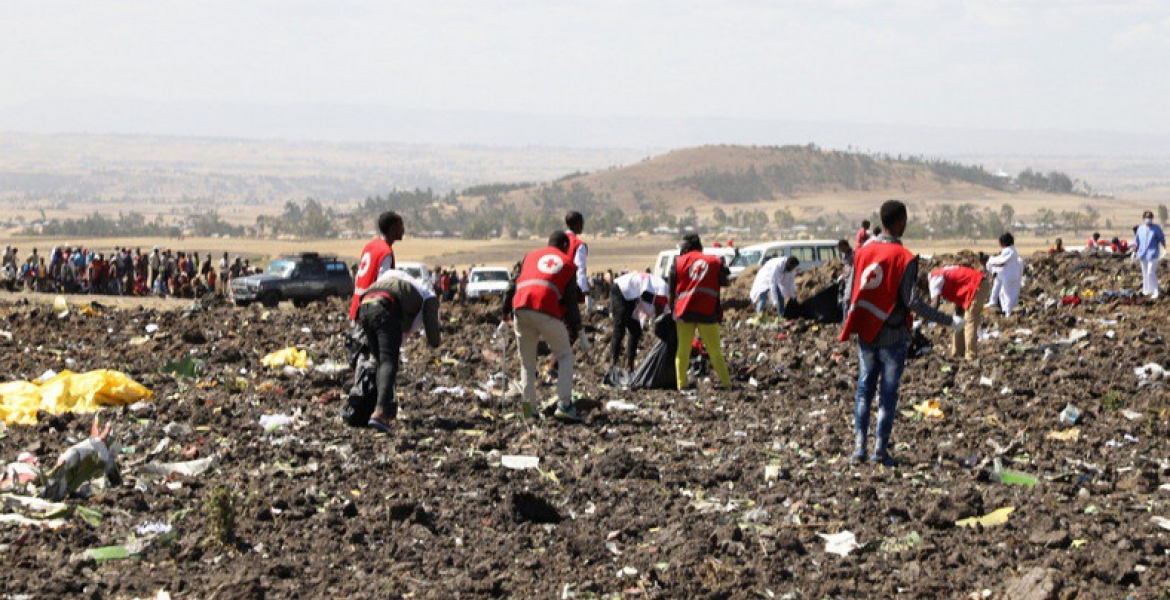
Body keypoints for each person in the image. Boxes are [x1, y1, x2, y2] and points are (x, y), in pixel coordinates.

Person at [840, 200, 961, 466]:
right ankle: (880, 451)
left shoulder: (861, 253)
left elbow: (849, 295)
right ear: (899, 222)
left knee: (863, 390)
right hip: (893, 337)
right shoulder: (904, 258)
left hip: (866, 335)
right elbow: (913, 302)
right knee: (888, 394)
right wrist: (947, 320)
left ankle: (859, 449)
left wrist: (852, 323)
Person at [502, 232, 583, 422]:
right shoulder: (567, 264)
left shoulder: (530, 256)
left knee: (527, 363)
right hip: (545, 310)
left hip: (520, 309)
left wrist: (505, 311)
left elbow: (512, 283)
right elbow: (571, 302)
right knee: (564, 355)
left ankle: (529, 410)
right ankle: (564, 405)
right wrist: (577, 327)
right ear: (564, 245)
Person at [356, 269, 442, 432]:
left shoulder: (397, 279)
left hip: (365, 305)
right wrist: (435, 342)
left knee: (380, 361)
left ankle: (376, 409)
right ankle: (380, 413)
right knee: (388, 361)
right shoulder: (428, 297)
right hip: (385, 306)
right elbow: (432, 335)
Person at [669, 233, 732, 390]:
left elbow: (671, 291)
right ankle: (727, 384)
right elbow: (725, 282)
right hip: (708, 311)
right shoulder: (715, 261)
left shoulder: (677, 262)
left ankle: (681, 385)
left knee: (683, 349)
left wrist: (672, 311)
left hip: (684, 311)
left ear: (687, 246)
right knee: (715, 350)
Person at [928, 265, 990, 360]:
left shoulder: (934, 280)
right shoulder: (938, 274)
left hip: (977, 286)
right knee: (959, 320)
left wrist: (923, 315)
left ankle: (970, 356)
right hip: (966, 290)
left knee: (970, 320)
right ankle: (957, 353)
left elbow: (934, 304)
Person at [350, 211, 404, 321]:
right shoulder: (385, 252)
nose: (403, 229)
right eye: (400, 225)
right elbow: (384, 284)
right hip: (372, 308)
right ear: (392, 229)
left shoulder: (370, 246)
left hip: (358, 305)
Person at [609, 270, 667, 371]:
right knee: (620, 326)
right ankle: (612, 365)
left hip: (634, 296)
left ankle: (629, 366)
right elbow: (658, 314)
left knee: (635, 330)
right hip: (621, 289)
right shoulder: (663, 291)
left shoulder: (662, 291)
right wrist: (658, 328)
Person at [985, 233, 1023, 316]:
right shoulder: (1012, 250)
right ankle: (1005, 310)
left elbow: (1001, 261)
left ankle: (1008, 313)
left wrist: (991, 260)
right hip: (1012, 275)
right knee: (1005, 293)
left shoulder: (1008, 250)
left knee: (1008, 295)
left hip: (1009, 276)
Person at [1134, 210, 1166, 299]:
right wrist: (1134, 252)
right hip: (1142, 254)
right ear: (1144, 218)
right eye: (1147, 217)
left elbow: (1161, 239)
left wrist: (1164, 249)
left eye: (1150, 217)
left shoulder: (1156, 228)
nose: (1149, 219)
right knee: (1144, 273)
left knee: (1150, 272)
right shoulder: (1140, 229)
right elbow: (1137, 242)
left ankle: (1156, 291)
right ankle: (1147, 290)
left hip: (1153, 254)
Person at [565, 211, 592, 313]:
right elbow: (579, 268)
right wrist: (584, 289)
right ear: (578, 224)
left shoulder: (558, 239)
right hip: (569, 286)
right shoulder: (578, 244)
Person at [838, 239, 855, 315]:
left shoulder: (853, 254)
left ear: (845, 246)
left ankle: (846, 321)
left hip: (852, 280)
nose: (841, 250)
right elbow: (844, 266)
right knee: (843, 301)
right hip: (845, 279)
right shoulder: (843, 255)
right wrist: (842, 276)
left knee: (847, 300)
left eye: (841, 248)